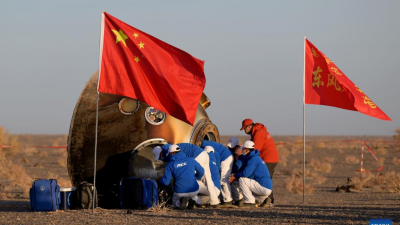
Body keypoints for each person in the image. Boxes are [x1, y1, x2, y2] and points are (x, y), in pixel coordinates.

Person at [154, 143, 221, 207]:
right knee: (208, 179)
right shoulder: (173, 147)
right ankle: (214, 201)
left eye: (160, 156)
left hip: (197, 156)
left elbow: (177, 167)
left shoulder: (170, 151)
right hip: (204, 154)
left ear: (161, 152)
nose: (161, 158)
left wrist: (195, 178)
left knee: (187, 177)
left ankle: (191, 201)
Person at [240, 118, 279, 207]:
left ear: (249, 127)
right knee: (267, 178)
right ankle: (267, 200)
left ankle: (269, 201)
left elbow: (256, 149)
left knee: (265, 179)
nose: (245, 131)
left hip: (268, 159)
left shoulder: (258, 133)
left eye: (245, 129)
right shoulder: (258, 132)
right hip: (270, 158)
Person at [158, 144, 204, 209]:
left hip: (180, 192)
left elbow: (166, 182)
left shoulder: (170, 164)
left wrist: (160, 180)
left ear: (172, 153)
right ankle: (195, 202)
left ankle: (179, 203)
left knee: (175, 201)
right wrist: (196, 177)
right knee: (193, 196)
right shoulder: (191, 160)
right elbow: (201, 171)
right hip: (194, 190)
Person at [229, 141, 272, 208]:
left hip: (263, 187)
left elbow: (246, 173)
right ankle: (262, 200)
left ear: (247, 150)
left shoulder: (253, 159)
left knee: (242, 180)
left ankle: (249, 202)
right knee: (245, 184)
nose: (242, 151)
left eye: (243, 149)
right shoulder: (255, 158)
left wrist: (235, 176)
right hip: (266, 188)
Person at [201, 140, 233, 204]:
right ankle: (222, 198)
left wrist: (217, 168)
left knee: (224, 179)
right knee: (221, 179)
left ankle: (228, 200)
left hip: (226, 158)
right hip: (225, 157)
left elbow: (217, 156)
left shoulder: (206, 146)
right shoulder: (206, 143)